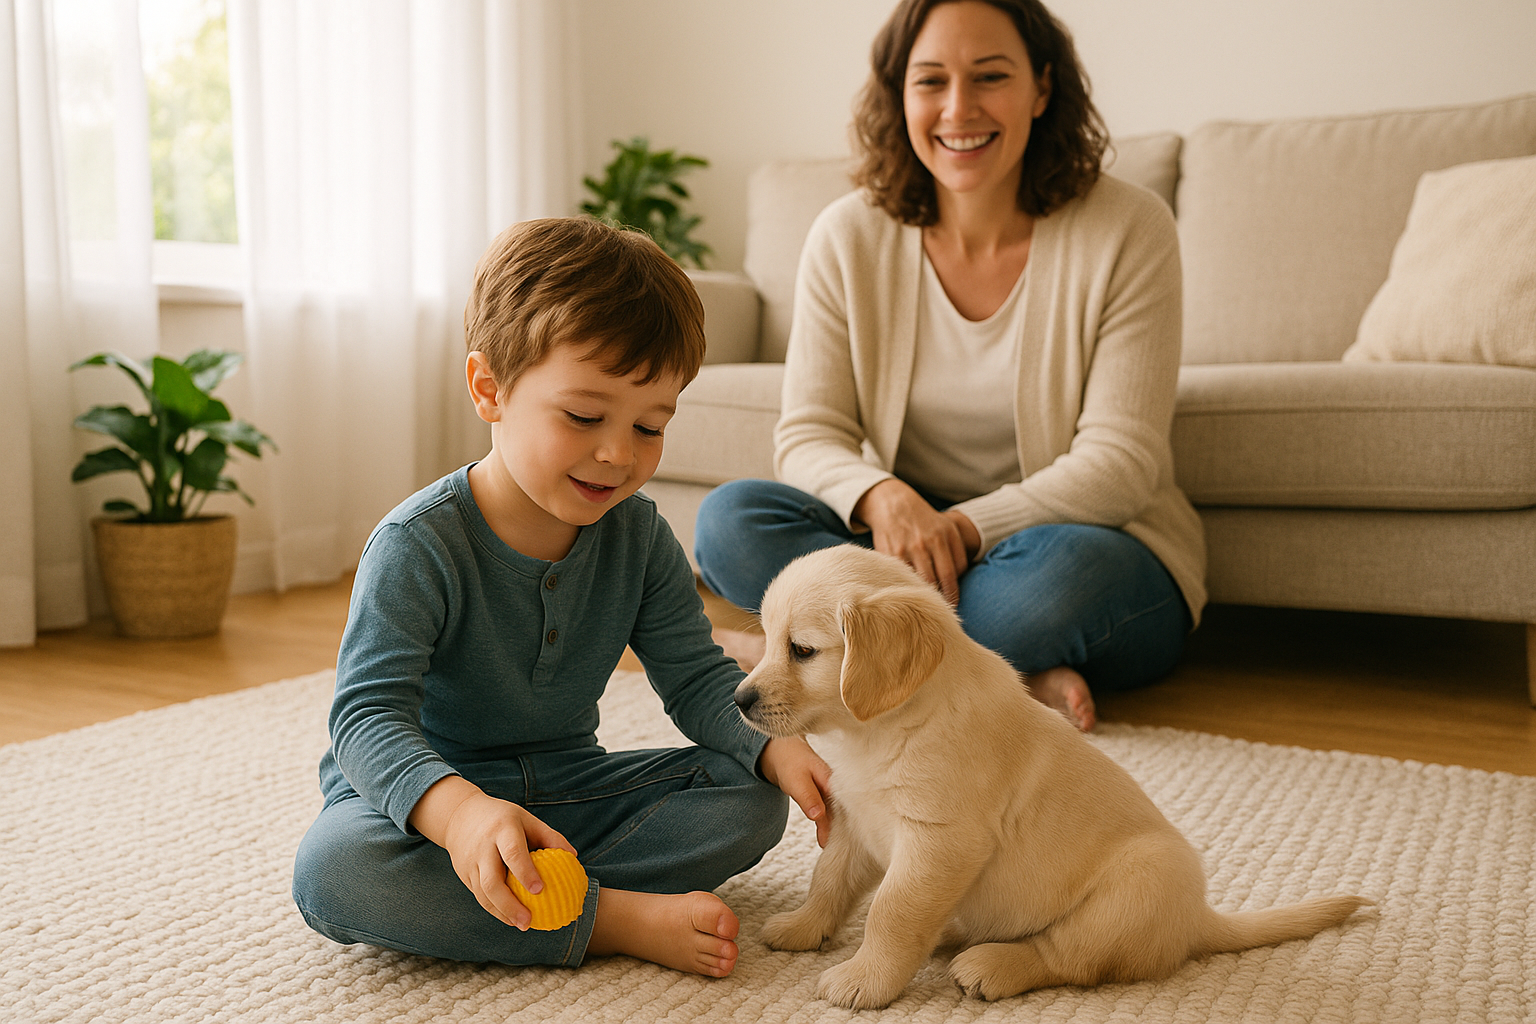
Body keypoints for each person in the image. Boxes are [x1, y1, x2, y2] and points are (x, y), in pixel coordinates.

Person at [292, 218, 831, 979]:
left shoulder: (639, 537)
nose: (618, 453)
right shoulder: (417, 544)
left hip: (569, 790)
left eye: (650, 425)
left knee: (748, 797)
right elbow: (365, 719)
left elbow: (697, 678)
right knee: (335, 872)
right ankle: (608, 918)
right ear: (490, 389)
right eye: (584, 416)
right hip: (422, 808)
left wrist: (774, 747)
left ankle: (536, 889)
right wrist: (463, 815)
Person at [695, 0, 1206, 733]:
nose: (958, 108)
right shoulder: (847, 236)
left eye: (990, 76)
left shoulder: (1129, 228)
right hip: (903, 541)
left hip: (1072, 545)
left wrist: (963, 529)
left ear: (1041, 88)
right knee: (731, 522)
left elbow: (1121, 462)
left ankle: (864, 657)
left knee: (1051, 589)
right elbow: (809, 432)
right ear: (900, 95)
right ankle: (1002, 673)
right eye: (930, 80)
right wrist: (886, 500)